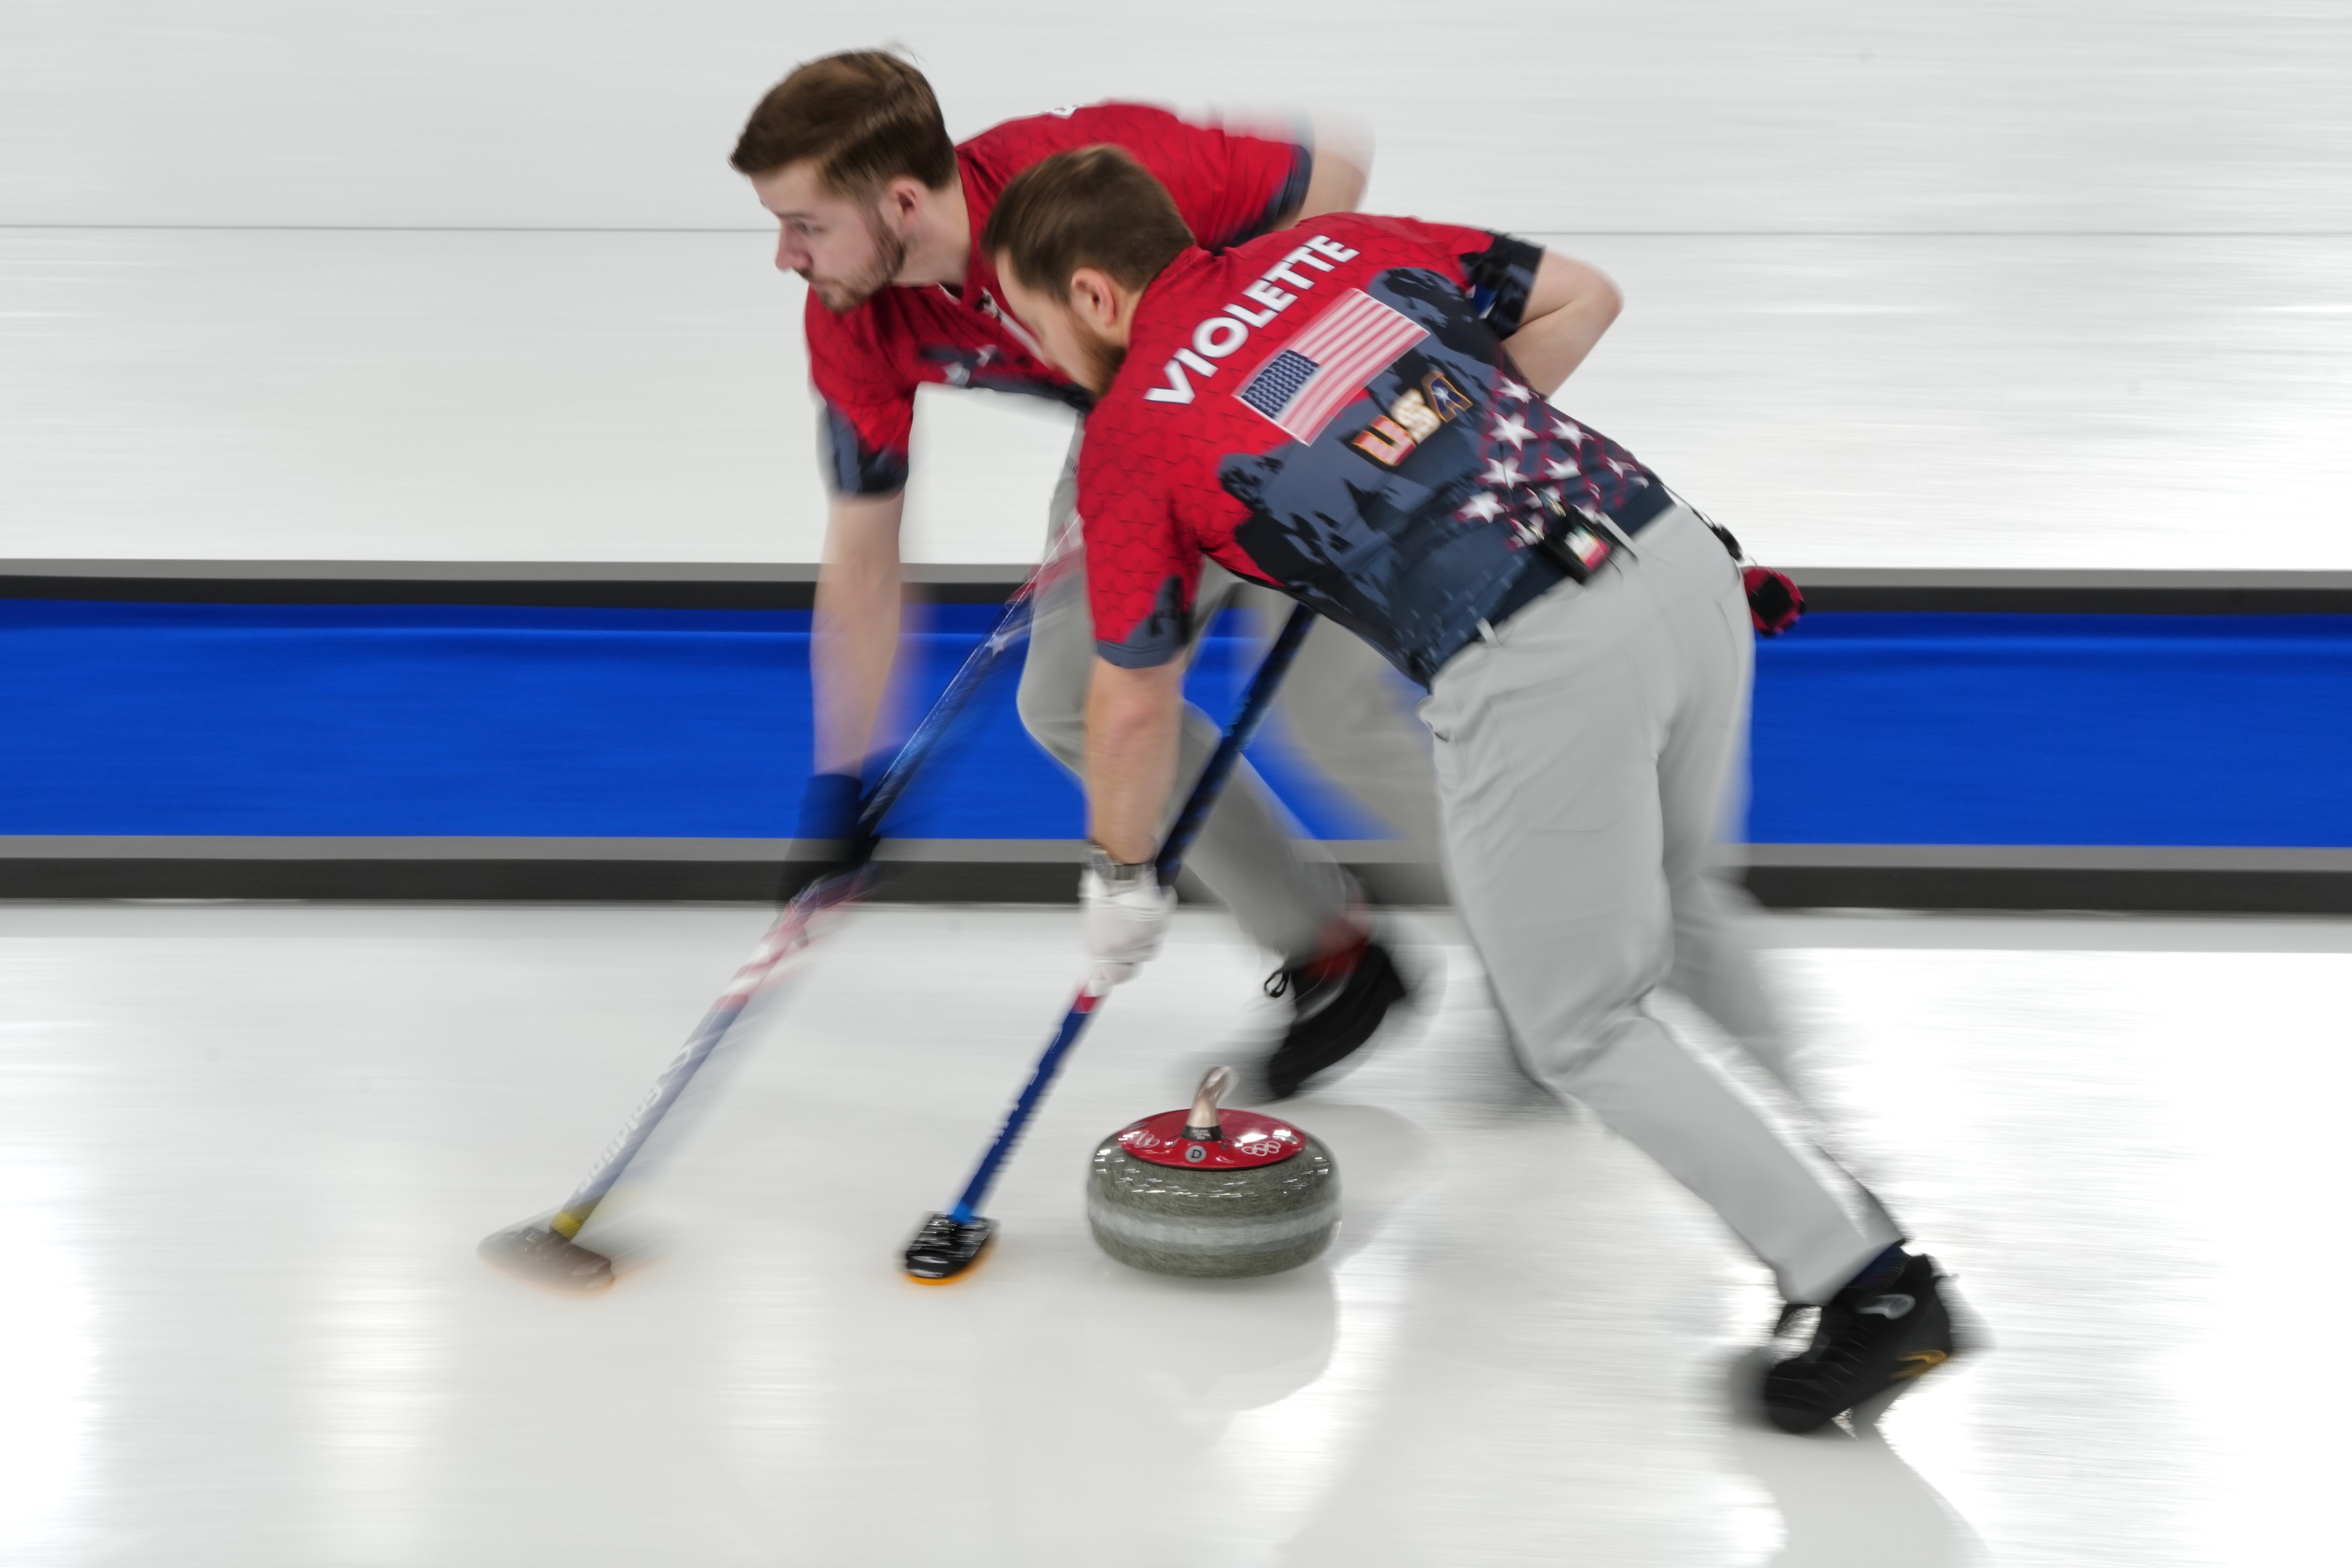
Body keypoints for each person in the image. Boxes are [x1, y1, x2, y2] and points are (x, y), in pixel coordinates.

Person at [979, 145, 1973, 1433]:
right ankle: (1856, 1197)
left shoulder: (1130, 437)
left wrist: (1121, 878)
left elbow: (1126, 698)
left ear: (1098, 295)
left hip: (1536, 658)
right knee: (1680, 909)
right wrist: (1421, 456)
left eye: (1031, 317)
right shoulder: (1332, 250)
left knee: (1582, 1026)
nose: (1034, 348)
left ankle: (1865, 1286)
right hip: (1670, 560)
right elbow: (1581, 296)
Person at [730, 52, 1428, 1095]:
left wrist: (1227, 357)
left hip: (1287, 409)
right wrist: (842, 781)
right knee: (1065, 699)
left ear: (902, 200)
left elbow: (1331, 171)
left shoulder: (1090, 169)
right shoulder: (853, 317)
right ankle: (1334, 952)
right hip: (1130, 446)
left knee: (1335, 719)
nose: (784, 256)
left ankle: (1568, 934)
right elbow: (865, 554)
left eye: (806, 223)